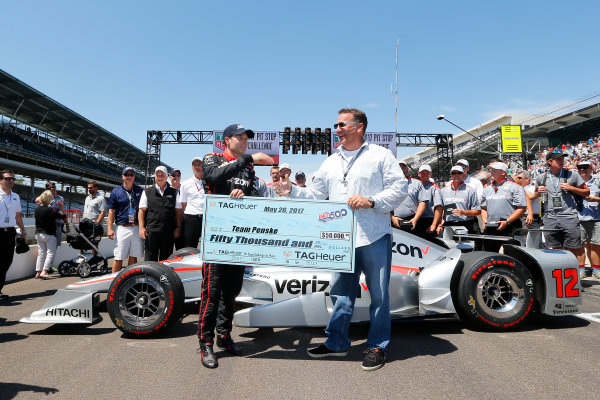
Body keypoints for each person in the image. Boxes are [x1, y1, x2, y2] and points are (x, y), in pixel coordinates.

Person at [276, 108, 407, 371]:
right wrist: (291, 190)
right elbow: (316, 194)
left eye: (341, 124)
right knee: (341, 293)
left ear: (359, 127)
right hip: (340, 238)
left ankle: (376, 346)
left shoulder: (380, 155)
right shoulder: (331, 161)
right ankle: (337, 342)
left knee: (379, 295)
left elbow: (400, 187)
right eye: (336, 125)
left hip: (374, 235)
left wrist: (373, 201)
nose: (337, 129)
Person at [197, 123, 274, 369]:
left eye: (247, 138)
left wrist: (244, 197)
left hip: (239, 239)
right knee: (212, 292)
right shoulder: (213, 158)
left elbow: (253, 199)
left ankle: (224, 336)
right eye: (239, 137)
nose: (244, 141)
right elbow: (213, 177)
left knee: (231, 292)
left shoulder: (249, 169)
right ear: (226, 141)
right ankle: (205, 342)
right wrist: (248, 159)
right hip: (216, 239)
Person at [533, 151, 589, 275]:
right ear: (549, 161)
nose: (561, 161)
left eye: (562, 159)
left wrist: (571, 188)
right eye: (558, 159)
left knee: (572, 249)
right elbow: (534, 197)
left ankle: (573, 276)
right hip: (550, 217)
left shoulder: (572, 175)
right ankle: (560, 277)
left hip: (569, 217)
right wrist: (538, 192)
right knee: (555, 249)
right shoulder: (541, 178)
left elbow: (587, 192)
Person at [138, 166, 182, 262]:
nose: (160, 177)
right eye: (158, 175)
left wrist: (178, 228)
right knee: (150, 260)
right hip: (151, 232)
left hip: (168, 232)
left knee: (166, 261)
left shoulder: (174, 192)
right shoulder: (147, 192)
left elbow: (178, 212)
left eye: (162, 175)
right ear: (155, 177)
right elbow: (141, 211)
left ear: (166, 177)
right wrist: (141, 228)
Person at [480, 162, 527, 252]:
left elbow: (521, 208)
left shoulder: (515, 187)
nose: (491, 172)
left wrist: (507, 221)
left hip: (510, 226)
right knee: (489, 254)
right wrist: (484, 220)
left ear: (503, 173)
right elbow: (483, 208)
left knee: (513, 254)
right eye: (491, 170)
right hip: (491, 226)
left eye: (494, 170)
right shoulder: (487, 189)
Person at [106, 167, 144, 273]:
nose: (129, 177)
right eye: (126, 174)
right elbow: (111, 211)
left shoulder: (140, 191)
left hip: (136, 227)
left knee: (133, 257)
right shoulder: (116, 192)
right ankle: (113, 282)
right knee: (118, 257)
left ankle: (130, 281)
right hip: (122, 228)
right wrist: (109, 228)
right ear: (122, 176)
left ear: (134, 177)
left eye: (131, 174)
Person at [0, 169, 26, 300]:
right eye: (8, 178)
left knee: (7, 261)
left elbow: (17, 216)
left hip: (10, 232)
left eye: (13, 179)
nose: (11, 181)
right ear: (1, 180)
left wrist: (23, 230)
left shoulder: (16, 196)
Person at [574, 160, 600, 279]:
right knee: (580, 245)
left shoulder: (597, 181)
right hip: (578, 218)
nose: (582, 170)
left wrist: (595, 199)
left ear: (591, 169)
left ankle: (596, 270)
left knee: (596, 245)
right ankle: (581, 270)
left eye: (585, 167)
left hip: (596, 218)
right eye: (579, 167)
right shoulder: (573, 182)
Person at [439, 165, 481, 233]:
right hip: (448, 224)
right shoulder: (443, 191)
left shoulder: (470, 190)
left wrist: (464, 212)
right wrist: (439, 224)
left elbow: (477, 211)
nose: (456, 175)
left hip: (466, 224)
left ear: (463, 175)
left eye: (459, 173)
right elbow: (440, 210)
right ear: (451, 176)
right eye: (454, 173)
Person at [34, 190, 65, 279]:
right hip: (49, 234)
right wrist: (61, 206)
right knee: (51, 253)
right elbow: (63, 216)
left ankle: (38, 272)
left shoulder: (36, 210)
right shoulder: (50, 210)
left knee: (41, 253)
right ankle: (45, 271)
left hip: (38, 234)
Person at [391, 161, 425, 233]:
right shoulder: (390, 184)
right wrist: (392, 218)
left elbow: (422, 203)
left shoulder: (417, 183)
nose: (402, 169)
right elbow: (385, 204)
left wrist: (415, 219)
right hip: (396, 220)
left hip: (413, 219)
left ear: (407, 169)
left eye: (403, 167)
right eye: (399, 168)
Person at [180, 157, 205, 249]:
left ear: (203, 166)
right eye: (195, 165)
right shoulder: (185, 184)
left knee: (206, 246)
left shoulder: (209, 182)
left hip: (205, 218)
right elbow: (183, 204)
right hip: (191, 218)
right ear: (192, 167)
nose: (197, 167)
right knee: (190, 246)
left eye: (199, 165)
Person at [414, 165, 443, 240]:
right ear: (419, 174)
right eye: (423, 173)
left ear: (431, 174)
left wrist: (433, 225)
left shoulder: (434, 188)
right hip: (416, 219)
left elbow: (439, 208)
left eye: (427, 173)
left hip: (428, 220)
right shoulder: (415, 186)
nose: (425, 175)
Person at [169, 168, 186, 250]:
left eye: (178, 175)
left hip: (183, 224)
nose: (176, 177)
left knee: (181, 251)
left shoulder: (185, 189)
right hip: (169, 224)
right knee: (167, 251)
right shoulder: (166, 190)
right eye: (174, 175)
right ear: (169, 177)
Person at [46, 182, 65, 246]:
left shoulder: (61, 198)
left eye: (53, 187)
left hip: (59, 224)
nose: (52, 189)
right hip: (49, 225)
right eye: (50, 188)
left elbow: (63, 211)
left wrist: (66, 223)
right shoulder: (46, 199)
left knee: (56, 244)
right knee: (48, 244)